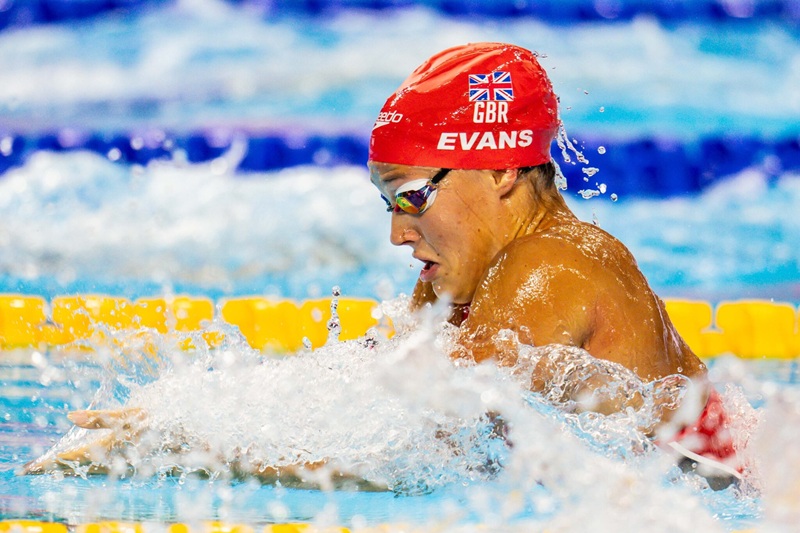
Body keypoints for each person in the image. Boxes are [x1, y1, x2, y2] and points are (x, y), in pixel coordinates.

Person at [368, 42, 741, 484]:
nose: (397, 234)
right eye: (388, 202)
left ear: (500, 170)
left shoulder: (549, 264)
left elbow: (418, 455)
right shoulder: (451, 280)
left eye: (412, 197)